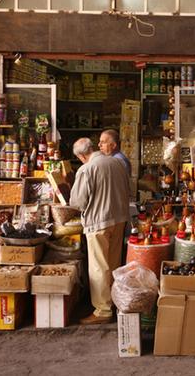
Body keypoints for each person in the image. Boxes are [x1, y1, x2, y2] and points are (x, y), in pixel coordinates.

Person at [69, 138, 130, 324]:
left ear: (81, 155)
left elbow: (77, 203)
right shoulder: (117, 162)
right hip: (118, 219)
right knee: (113, 264)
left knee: (99, 267)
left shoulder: (86, 169)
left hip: (98, 222)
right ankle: (114, 302)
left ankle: (103, 311)